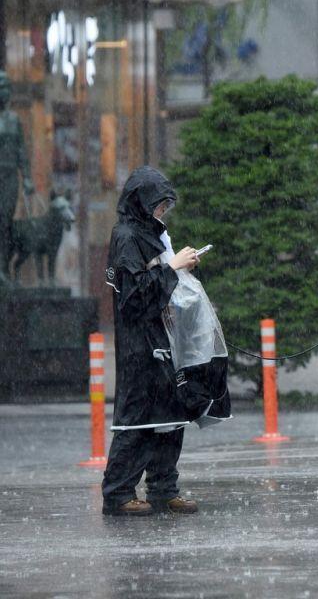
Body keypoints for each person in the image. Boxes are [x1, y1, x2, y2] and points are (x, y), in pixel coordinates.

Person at [102, 166, 203, 517]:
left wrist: (176, 268)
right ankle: (118, 493)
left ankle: (163, 487)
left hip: (162, 337)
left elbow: (153, 285)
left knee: (170, 415)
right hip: (139, 344)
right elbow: (133, 297)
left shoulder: (150, 234)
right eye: (159, 205)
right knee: (138, 418)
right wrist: (171, 268)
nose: (162, 212)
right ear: (142, 203)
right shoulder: (127, 236)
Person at [0, 70, 34, 284]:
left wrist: (27, 177)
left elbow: (21, 150)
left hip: (10, 176)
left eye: (6, 88)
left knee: (5, 222)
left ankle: (4, 268)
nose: (4, 92)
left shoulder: (14, 120)